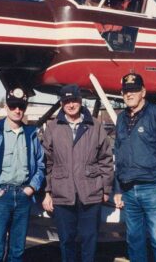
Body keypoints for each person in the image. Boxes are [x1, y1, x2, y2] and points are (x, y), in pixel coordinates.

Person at [0, 87, 45, 262]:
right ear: (6, 107)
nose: (17, 110)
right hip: (0, 198)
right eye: (13, 106)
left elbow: (41, 165)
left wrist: (32, 187)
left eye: (21, 106)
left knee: (17, 250)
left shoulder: (31, 134)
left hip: (23, 197)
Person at [42, 84, 114, 262]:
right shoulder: (52, 127)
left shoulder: (95, 126)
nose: (71, 104)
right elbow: (46, 162)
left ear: (80, 101)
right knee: (67, 241)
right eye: (66, 101)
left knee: (89, 240)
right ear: (61, 103)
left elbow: (106, 159)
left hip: (90, 193)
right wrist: (47, 192)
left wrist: (106, 189)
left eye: (74, 100)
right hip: (62, 194)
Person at [113, 73, 156, 262]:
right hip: (128, 190)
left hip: (153, 188)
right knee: (134, 241)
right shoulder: (121, 119)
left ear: (143, 92)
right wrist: (118, 189)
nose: (129, 94)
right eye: (126, 91)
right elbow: (119, 156)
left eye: (134, 90)